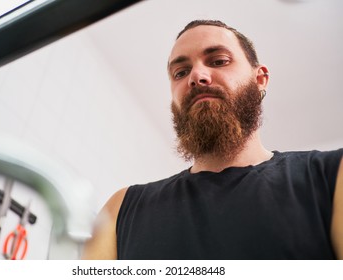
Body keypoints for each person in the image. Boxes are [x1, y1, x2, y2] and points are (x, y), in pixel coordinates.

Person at [82, 20, 343, 260]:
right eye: (180, 72)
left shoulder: (331, 175)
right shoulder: (121, 209)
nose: (196, 76)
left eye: (218, 61)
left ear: (260, 79)